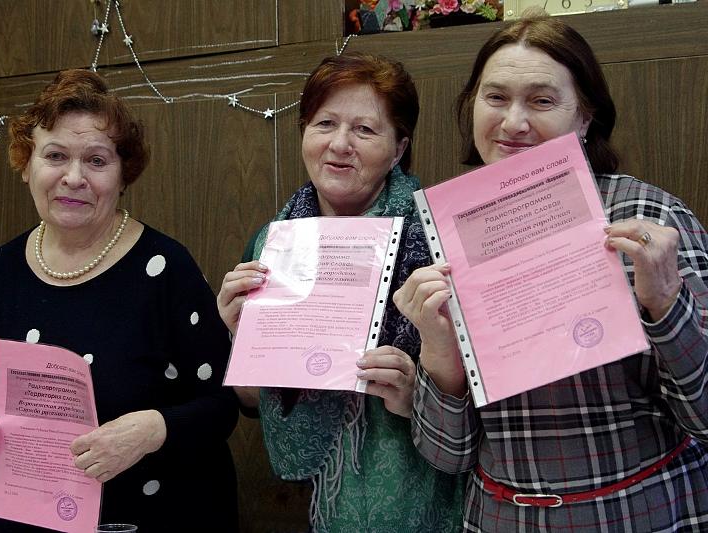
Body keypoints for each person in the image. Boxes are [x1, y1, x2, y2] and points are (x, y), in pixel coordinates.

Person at [395, 15, 708, 532]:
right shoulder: (442, 234)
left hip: (640, 512)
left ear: (584, 117)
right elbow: (446, 454)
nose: (513, 122)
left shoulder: (647, 219)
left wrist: (667, 302)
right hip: (500, 517)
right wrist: (439, 349)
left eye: (541, 101)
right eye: (495, 98)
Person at [0, 70, 239, 531]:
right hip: (31, 520)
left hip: (160, 517)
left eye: (97, 161)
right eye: (55, 156)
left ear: (123, 175)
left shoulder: (165, 268)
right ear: (26, 165)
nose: (74, 177)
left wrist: (154, 429)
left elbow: (222, 403)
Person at [217, 52, 464, 532]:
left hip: (427, 493)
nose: (339, 144)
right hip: (323, 501)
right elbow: (249, 402)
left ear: (399, 148)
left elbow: (484, 400)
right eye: (324, 123)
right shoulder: (272, 243)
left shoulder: (439, 239)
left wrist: (418, 396)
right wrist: (240, 339)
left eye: (365, 130)